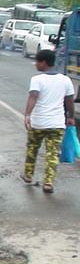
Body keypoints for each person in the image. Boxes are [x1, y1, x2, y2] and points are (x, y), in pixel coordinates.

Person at [23, 49, 75, 193]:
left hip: (38, 122)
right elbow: (70, 101)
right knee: (53, 154)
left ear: (44, 63)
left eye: (37, 61)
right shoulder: (65, 80)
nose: (35, 64)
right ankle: (48, 183)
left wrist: (27, 115)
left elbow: (33, 97)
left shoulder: (37, 80)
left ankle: (28, 175)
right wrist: (70, 117)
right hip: (57, 124)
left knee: (32, 149)